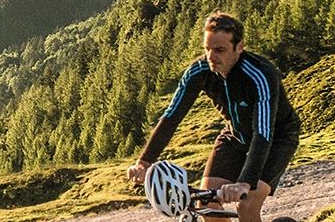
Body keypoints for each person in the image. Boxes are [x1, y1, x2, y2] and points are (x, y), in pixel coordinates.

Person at [128, 12, 302, 222]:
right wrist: (144, 162)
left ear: (239, 47)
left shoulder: (261, 74)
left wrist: (244, 183)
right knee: (206, 205)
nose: (211, 57)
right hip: (235, 135)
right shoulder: (199, 71)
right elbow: (171, 117)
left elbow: (263, 132)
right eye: (207, 49)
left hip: (277, 138)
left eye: (220, 50)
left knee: (246, 205)